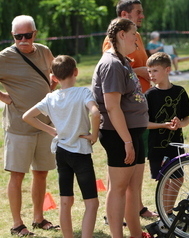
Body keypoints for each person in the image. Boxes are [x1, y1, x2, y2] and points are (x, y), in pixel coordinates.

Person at [23, 55, 100, 238]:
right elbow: (95, 113)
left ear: (54, 78)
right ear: (76, 72)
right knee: (91, 202)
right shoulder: (83, 92)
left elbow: (27, 116)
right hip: (80, 152)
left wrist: (51, 130)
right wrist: (94, 135)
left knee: (65, 201)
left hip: (62, 152)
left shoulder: (51, 97)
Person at [0, 15, 59, 236]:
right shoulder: (4, 57)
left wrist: (52, 87)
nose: (23, 40)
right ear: (12, 36)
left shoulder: (43, 51)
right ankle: (17, 224)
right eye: (18, 36)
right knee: (17, 175)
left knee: (41, 173)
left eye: (27, 35)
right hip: (18, 127)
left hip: (45, 124)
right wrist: (4, 98)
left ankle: (38, 217)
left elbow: (55, 72)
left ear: (35, 33)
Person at [93, 18, 151, 238]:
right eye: (134, 33)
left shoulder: (123, 61)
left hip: (132, 133)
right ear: (121, 35)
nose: (137, 38)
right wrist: (127, 141)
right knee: (118, 189)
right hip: (118, 135)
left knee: (132, 189)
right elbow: (112, 107)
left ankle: (136, 234)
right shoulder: (111, 64)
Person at [102, 0, 157, 219]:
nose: (142, 16)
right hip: (124, 112)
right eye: (138, 12)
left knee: (136, 164)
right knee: (119, 164)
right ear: (125, 14)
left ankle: (137, 206)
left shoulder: (138, 37)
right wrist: (142, 71)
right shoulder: (112, 40)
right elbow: (117, 69)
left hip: (138, 107)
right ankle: (114, 212)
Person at [145, 52, 189, 215]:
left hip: (176, 144)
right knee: (165, 181)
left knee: (178, 179)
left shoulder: (180, 92)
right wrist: (163, 125)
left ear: (167, 70)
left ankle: (166, 213)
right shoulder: (149, 95)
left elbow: (187, 119)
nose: (151, 75)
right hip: (157, 146)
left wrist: (180, 123)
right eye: (149, 71)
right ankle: (166, 215)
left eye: (155, 71)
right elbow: (144, 123)